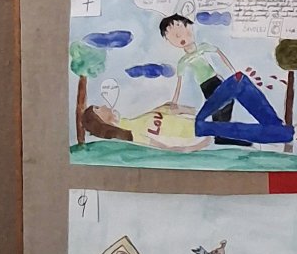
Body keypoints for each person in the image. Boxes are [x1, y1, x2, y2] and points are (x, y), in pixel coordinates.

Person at [159, 12, 246, 147]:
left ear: (190, 27)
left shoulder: (203, 47)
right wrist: (174, 101)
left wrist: (233, 72)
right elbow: (179, 83)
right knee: (219, 105)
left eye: (181, 33)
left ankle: (222, 135)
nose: (180, 38)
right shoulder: (183, 61)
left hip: (216, 79)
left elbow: (219, 53)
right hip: (206, 85)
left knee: (227, 102)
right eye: (174, 37)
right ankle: (221, 136)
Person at [80, 101, 208, 152]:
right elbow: (165, 148)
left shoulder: (131, 121)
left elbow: (166, 110)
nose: (103, 106)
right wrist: (198, 146)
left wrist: (190, 110)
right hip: (198, 135)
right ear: (99, 120)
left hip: (201, 121)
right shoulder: (130, 134)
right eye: (97, 108)